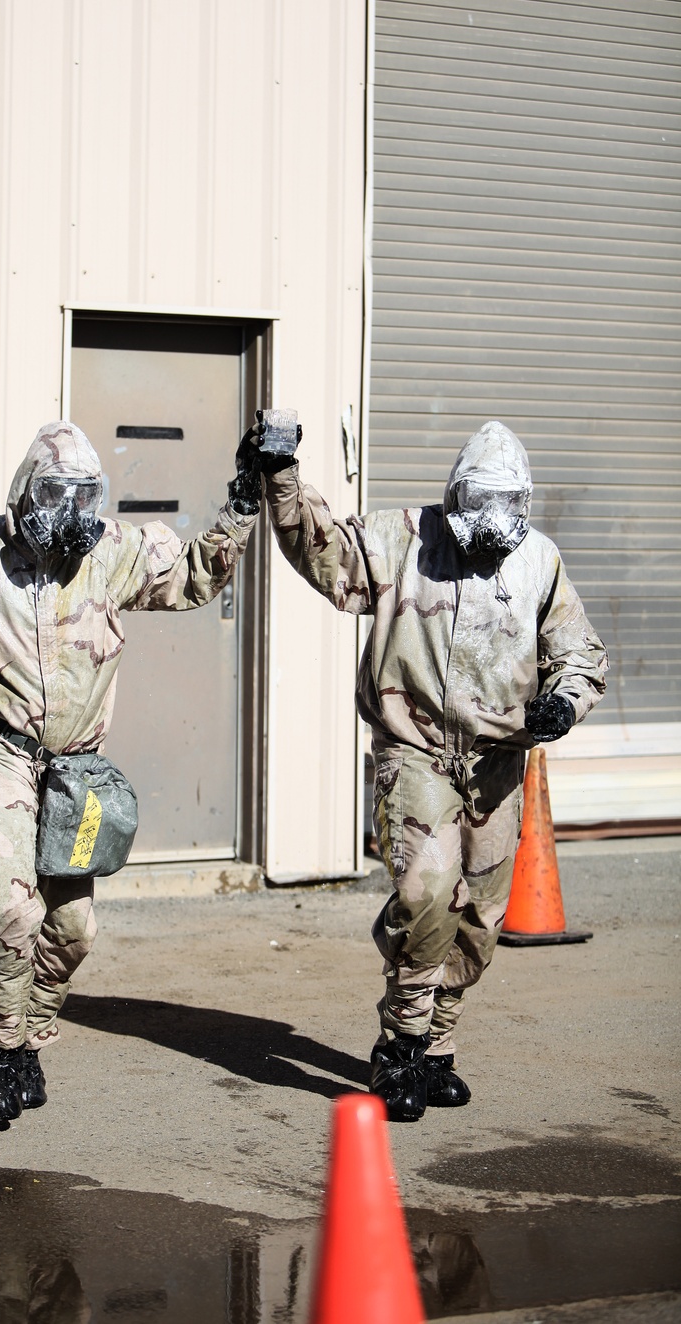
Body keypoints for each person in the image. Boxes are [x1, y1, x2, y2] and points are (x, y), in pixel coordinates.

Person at [0, 419, 271, 1124]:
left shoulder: (112, 552)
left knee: (72, 928)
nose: (75, 513)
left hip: (75, 776)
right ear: (27, 492)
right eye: (59, 495)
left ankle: (27, 1040)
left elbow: (196, 576)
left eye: (88, 497)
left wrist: (243, 503)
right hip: (1, 756)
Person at [257, 419, 607, 1121]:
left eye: (508, 502)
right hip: (413, 750)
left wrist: (562, 705)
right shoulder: (403, 539)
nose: (492, 518)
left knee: (478, 919)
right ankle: (401, 1047)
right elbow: (321, 549)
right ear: (454, 494)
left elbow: (579, 654)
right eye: (479, 500)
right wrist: (281, 476)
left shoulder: (539, 561)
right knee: (426, 893)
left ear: (526, 503)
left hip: (497, 764)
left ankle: (438, 1047)